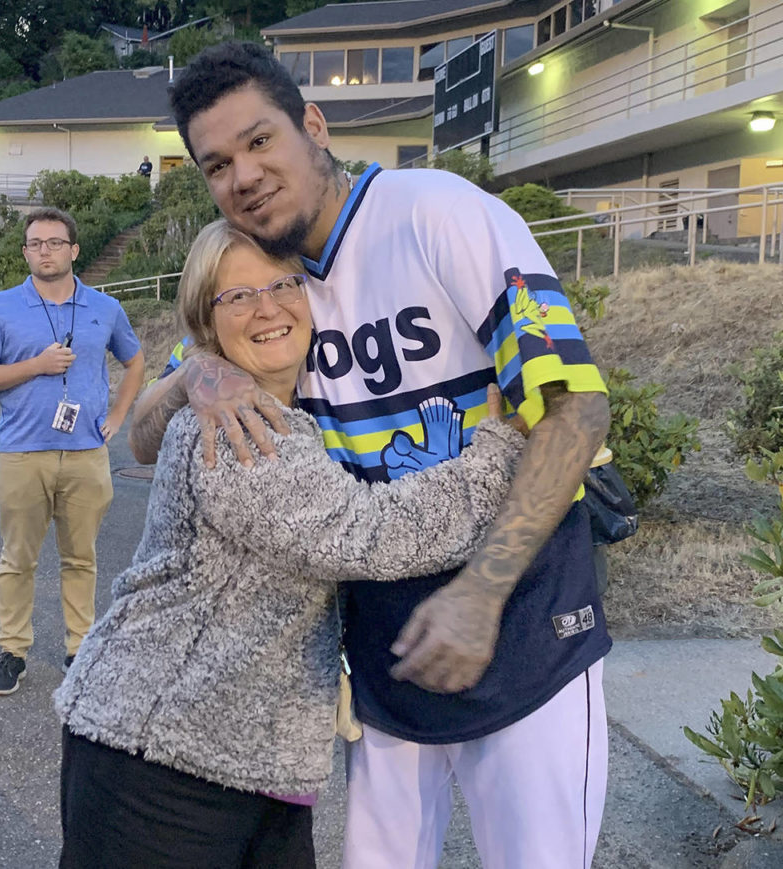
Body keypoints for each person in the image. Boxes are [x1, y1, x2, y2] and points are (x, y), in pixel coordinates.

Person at [129, 42, 613, 869]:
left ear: (313, 125)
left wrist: (481, 592)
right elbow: (143, 433)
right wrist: (198, 370)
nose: (242, 176)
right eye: (216, 165)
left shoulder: (439, 212)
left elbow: (576, 407)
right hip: (383, 640)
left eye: (259, 142)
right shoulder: (268, 279)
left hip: (523, 612)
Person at [55, 218, 525, 868]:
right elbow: (368, 534)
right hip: (161, 761)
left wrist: (195, 371)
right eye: (238, 295)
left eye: (284, 284)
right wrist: (502, 450)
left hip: (256, 761)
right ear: (207, 318)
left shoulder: (284, 400)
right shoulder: (239, 432)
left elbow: (144, 430)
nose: (268, 305)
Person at [0, 207, 145, 696]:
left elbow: (135, 361)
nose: (45, 251)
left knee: (80, 558)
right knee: (17, 558)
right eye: (36, 243)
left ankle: (79, 648)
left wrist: (117, 416)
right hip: (22, 453)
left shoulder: (104, 308)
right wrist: (36, 366)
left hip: (87, 453)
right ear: (25, 252)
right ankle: (12, 650)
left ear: (74, 250)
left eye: (55, 242)